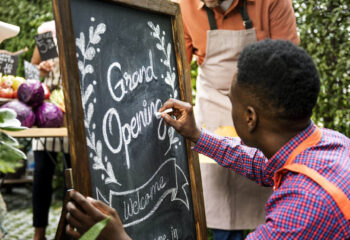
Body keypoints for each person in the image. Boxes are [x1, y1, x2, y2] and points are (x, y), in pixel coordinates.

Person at [65, 39, 350, 239]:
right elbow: (259, 163)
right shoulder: (328, 144)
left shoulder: (303, 206)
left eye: (231, 100)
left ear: (250, 117)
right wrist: (198, 135)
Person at [179, 0, 299, 238]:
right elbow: (175, 62)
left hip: (262, 107)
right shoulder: (184, 5)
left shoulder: (272, 3)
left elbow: (289, 64)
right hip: (212, 107)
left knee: (269, 191)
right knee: (220, 202)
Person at [30, 20, 70, 240]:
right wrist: (40, 69)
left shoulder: (84, 23)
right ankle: (39, 234)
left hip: (74, 115)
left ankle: (66, 232)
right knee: (41, 173)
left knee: (72, 176)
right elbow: (32, 72)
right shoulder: (47, 32)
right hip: (47, 112)